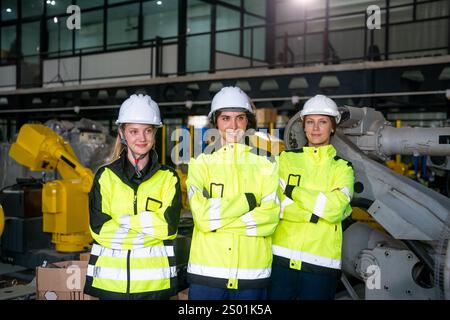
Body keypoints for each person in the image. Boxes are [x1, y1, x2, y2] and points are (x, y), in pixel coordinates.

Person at [84, 94, 182, 300]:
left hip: (154, 286)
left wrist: (122, 222)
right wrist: (150, 230)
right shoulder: (105, 177)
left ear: (155, 133)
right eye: (134, 131)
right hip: (111, 285)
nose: (142, 138)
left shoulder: (168, 178)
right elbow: (100, 229)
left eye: (148, 130)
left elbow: (168, 227)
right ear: (122, 133)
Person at [186, 86, 280, 300]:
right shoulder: (201, 163)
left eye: (239, 118)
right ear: (216, 122)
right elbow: (201, 218)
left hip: (252, 275)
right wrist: (248, 203)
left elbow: (269, 219)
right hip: (207, 275)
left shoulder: (267, 163)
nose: (233, 126)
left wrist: (218, 221)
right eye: (226, 118)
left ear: (248, 121)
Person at [269, 94, 354, 300]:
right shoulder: (285, 160)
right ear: (304, 127)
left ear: (332, 127)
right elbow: (274, 205)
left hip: (321, 265)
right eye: (310, 122)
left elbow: (334, 210)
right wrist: (317, 210)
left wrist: (292, 192)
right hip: (280, 259)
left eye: (322, 122)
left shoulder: (342, 168)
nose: (315, 128)